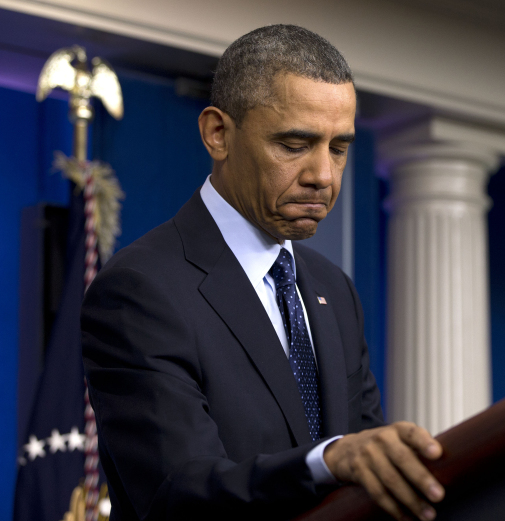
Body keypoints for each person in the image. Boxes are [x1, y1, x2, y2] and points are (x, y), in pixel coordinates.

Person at [81, 24, 444, 521]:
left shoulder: (334, 291)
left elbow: (368, 473)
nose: (323, 176)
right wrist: (327, 462)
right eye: (295, 144)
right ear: (218, 134)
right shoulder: (141, 288)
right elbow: (176, 492)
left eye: (338, 148)